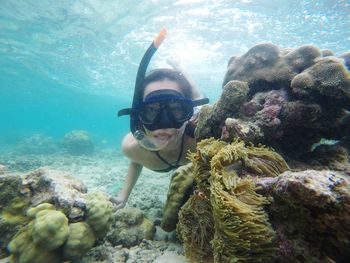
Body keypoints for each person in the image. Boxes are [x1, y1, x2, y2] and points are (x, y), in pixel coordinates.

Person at [111, 29, 209, 209]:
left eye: (176, 109)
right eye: (151, 111)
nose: (164, 123)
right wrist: (123, 196)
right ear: (138, 115)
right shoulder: (132, 147)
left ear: (187, 113)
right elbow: (137, 160)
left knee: (198, 96)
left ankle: (180, 68)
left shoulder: (201, 138)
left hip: (194, 116)